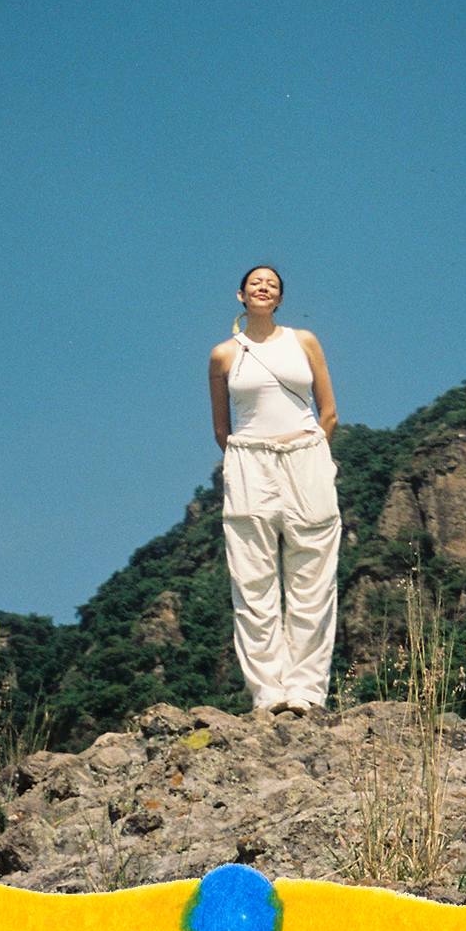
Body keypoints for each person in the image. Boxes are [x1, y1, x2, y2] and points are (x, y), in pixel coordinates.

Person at [208, 266, 341, 717]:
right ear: (240, 295)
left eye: (273, 285)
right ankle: (268, 694)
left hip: (306, 456)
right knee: (253, 580)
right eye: (255, 283)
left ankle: (306, 691)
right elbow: (222, 430)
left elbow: (329, 413)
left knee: (313, 577)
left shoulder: (303, 342)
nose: (264, 287)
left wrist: (304, 449)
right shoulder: (224, 355)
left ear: (280, 298)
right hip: (249, 463)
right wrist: (254, 456)